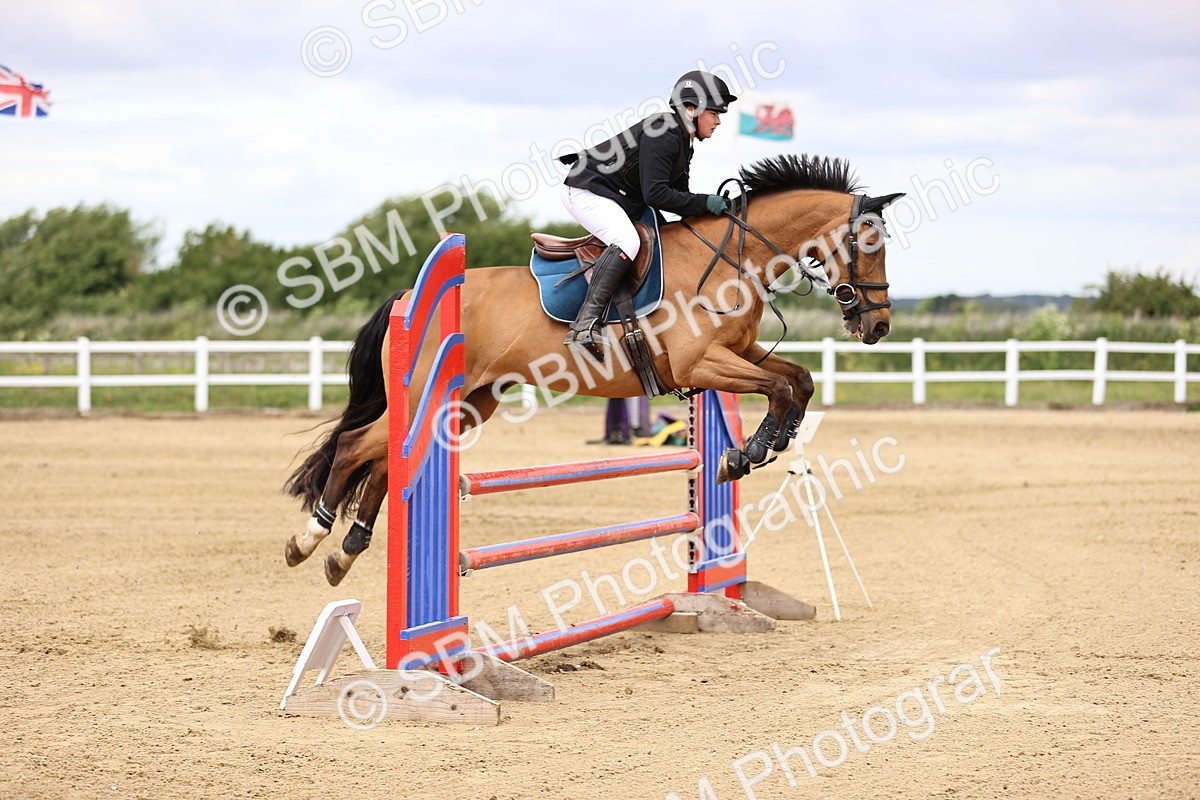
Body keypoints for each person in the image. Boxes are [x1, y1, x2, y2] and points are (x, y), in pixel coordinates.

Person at [557, 70, 738, 357]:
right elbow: (656, 195)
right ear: (691, 110)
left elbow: (679, 197)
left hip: (621, 197)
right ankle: (584, 325)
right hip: (587, 191)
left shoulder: (683, 140)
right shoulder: (665, 132)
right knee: (628, 241)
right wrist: (705, 203)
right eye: (715, 112)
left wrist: (715, 213)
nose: (718, 120)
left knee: (668, 239)